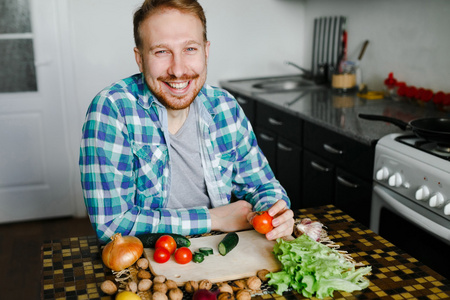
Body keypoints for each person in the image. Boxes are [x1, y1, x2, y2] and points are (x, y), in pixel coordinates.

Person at [79, 0, 294, 244]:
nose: (178, 70)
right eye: (161, 51)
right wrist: (213, 219)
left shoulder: (224, 106)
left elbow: (262, 185)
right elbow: (111, 226)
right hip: (150, 261)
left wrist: (277, 212)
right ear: (140, 59)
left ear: (206, 51)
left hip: (223, 253)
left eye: (190, 49)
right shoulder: (112, 110)